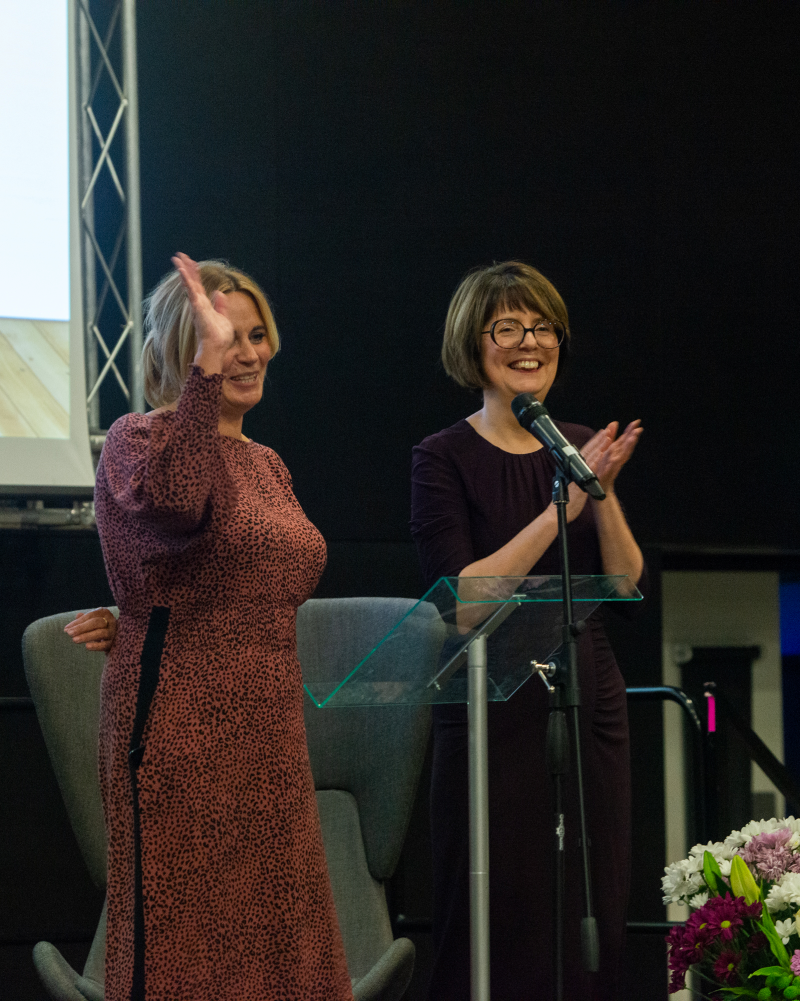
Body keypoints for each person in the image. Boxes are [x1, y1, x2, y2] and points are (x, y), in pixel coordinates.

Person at [81, 254, 352, 1001]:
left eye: (256, 335)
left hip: (269, 734)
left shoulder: (266, 460)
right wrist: (200, 382)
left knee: (279, 942)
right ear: (181, 347)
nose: (248, 352)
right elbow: (175, 502)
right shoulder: (136, 439)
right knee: (194, 949)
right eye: (223, 335)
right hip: (180, 732)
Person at [410, 261, 646, 1001]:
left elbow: (626, 578)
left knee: (591, 891)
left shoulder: (575, 442)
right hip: (489, 705)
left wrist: (597, 486)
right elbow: (467, 602)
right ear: (472, 345)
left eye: (541, 325)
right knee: (494, 904)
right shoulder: (441, 456)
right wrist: (560, 508)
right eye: (506, 327)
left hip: (586, 691)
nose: (528, 340)